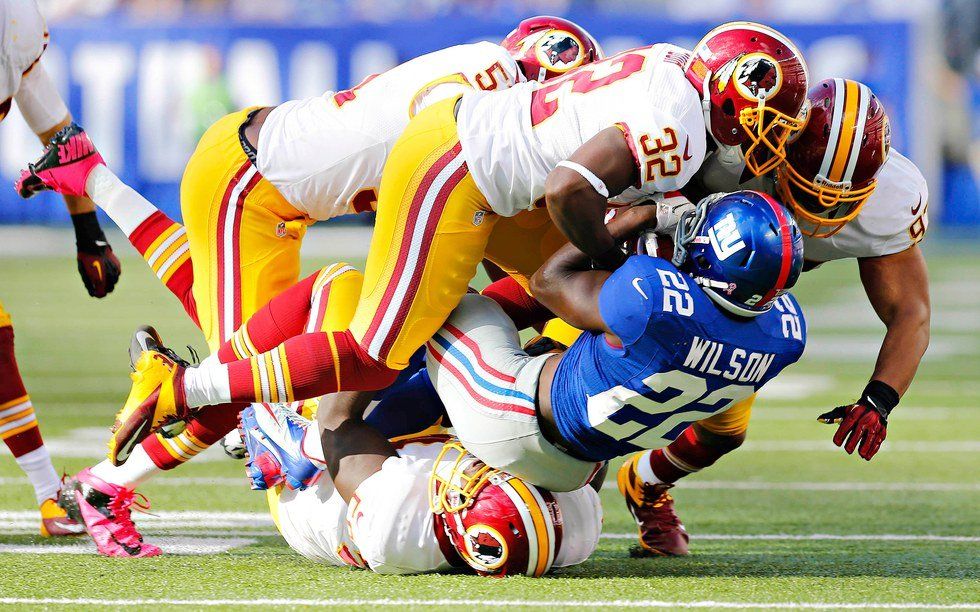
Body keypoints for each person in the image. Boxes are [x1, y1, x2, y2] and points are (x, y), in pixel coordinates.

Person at [17, 17, 602, 557]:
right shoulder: (469, 118)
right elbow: (439, 231)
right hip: (247, 189)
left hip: (277, 177)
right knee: (256, 388)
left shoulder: (490, 94)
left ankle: (88, 172)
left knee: (272, 348)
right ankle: (105, 485)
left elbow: (526, 278)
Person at [86, 23, 810, 457]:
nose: (768, 143)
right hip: (456, 171)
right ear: (735, 94)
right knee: (372, 356)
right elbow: (568, 190)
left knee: (543, 286)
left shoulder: (675, 75)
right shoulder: (680, 131)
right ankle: (183, 389)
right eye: (768, 122)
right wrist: (615, 249)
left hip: (475, 167)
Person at [617, 78, 931, 557]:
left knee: (724, 433)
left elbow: (910, 311)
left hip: (740, 301)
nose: (822, 207)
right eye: (808, 189)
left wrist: (879, 398)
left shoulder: (891, 202)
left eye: (841, 199)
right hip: (660, 258)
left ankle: (645, 482)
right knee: (595, 377)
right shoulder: (734, 151)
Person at [0, 0, 122, 536]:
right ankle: (49, 492)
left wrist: (88, 230)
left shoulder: (14, 24)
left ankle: (50, 493)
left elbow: (62, 137)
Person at [237, 404, 602, 576]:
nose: (476, 470)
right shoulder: (575, 529)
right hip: (393, 477)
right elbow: (594, 445)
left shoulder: (397, 523)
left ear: (462, 530)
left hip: (314, 502)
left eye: (473, 486)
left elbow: (339, 420)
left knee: (366, 353)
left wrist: (401, 341)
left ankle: (295, 441)